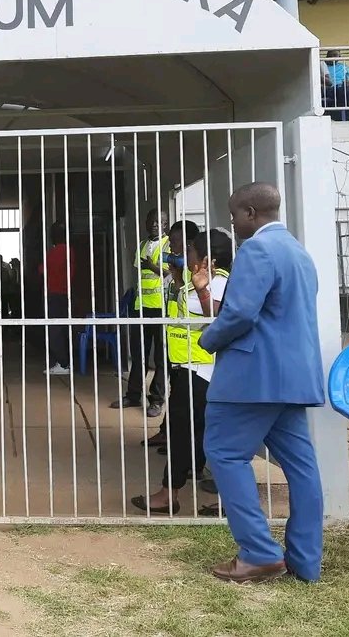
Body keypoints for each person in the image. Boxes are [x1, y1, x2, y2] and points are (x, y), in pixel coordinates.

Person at [199, 183, 325, 584]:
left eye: (235, 215)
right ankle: (305, 560)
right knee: (302, 467)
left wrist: (207, 339)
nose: (233, 224)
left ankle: (259, 553)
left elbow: (240, 314)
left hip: (252, 379)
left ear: (251, 212)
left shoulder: (257, 250)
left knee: (224, 453)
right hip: (294, 379)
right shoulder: (299, 253)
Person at [132, 229, 230, 516]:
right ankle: (188, 482)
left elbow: (217, 317)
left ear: (207, 258)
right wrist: (180, 281)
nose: (186, 254)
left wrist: (201, 289)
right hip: (189, 367)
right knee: (195, 431)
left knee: (182, 432)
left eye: (191, 250)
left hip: (201, 369)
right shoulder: (201, 279)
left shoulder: (218, 282)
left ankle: (169, 494)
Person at [138, 219, 199, 443]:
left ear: (189, 243)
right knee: (177, 394)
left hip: (192, 349)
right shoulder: (178, 270)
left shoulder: (196, 272)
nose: (170, 245)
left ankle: (176, 439)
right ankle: (168, 433)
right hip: (175, 342)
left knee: (186, 399)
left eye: (174, 241)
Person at [115, 208, 169, 416]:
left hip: (162, 308)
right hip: (141, 307)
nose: (155, 224)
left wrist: (153, 266)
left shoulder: (169, 244)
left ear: (165, 224)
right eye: (152, 221)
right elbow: (139, 274)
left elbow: (171, 274)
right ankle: (133, 394)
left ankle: (156, 400)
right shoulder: (142, 245)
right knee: (139, 354)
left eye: (159, 221)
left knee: (162, 357)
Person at [40, 222, 75, 376]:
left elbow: (43, 269)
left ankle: (63, 363)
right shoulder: (69, 250)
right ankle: (64, 362)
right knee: (62, 328)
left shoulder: (56, 251)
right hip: (65, 294)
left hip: (55, 294)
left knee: (54, 329)